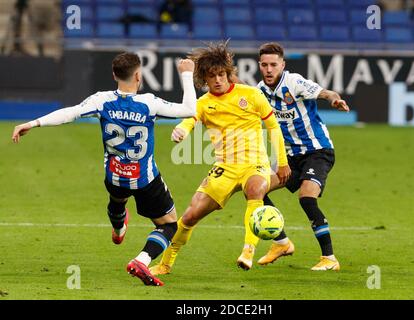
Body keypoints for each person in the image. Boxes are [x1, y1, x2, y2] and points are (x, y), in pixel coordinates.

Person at [11, 52, 197, 285]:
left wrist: (33, 123)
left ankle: (118, 228)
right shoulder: (149, 103)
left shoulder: (101, 100)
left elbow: (70, 113)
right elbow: (190, 109)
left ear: (113, 75)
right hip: (145, 180)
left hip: (115, 175)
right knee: (169, 224)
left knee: (118, 199)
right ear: (139, 75)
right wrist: (187, 74)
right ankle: (142, 259)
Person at [149, 41, 291, 275]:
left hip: (254, 163)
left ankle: (248, 251)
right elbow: (189, 119)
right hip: (224, 167)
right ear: (204, 79)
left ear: (228, 73)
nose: (217, 80)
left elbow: (274, 128)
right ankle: (165, 264)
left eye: (221, 74)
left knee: (256, 190)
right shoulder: (203, 103)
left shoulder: (251, 95)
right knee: (190, 216)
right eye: (211, 76)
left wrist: (282, 162)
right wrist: (182, 130)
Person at [256, 42, 350, 271]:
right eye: (265, 65)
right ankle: (281, 243)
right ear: (259, 65)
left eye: (273, 65)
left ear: (282, 65)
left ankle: (329, 258)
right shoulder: (260, 90)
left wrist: (335, 100)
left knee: (307, 197)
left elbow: (325, 93)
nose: (269, 70)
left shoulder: (294, 82)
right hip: (290, 157)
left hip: (317, 151)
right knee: (256, 190)